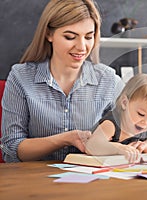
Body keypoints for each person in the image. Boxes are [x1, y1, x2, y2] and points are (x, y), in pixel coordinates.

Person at [1, 0, 125, 162]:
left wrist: (145, 143)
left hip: (94, 181)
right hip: (35, 181)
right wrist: (63, 139)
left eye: (89, 37)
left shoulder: (108, 80)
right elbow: (11, 149)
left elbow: (138, 130)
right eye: (70, 37)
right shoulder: (20, 77)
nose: (82, 47)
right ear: (49, 34)